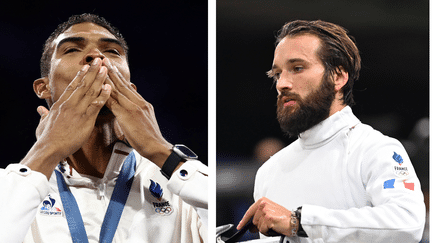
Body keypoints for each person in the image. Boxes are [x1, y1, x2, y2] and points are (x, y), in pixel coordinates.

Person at [0, 13, 207, 243]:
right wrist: (46, 151)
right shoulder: (13, 186)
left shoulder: (178, 186)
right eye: (71, 50)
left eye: (112, 52)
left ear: (130, 88)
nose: (96, 56)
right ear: (43, 88)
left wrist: (160, 150)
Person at [236, 20, 425, 243]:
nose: (282, 84)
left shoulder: (376, 149)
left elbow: (407, 223)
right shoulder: (268, 172)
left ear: (338, 77)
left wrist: (299, 221)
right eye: (277, 74)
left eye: (297, 68)